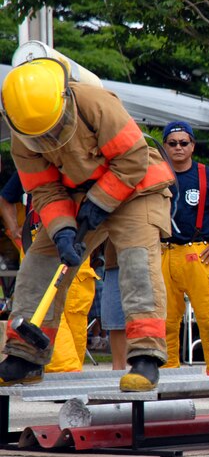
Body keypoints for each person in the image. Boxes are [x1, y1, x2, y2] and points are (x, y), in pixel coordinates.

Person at [0, 57, 174, 391]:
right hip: (77, 198)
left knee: (137, 263)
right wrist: (64, 230)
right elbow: (44, 188)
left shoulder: (95, 103)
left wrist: (100, 202)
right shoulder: (23, 131)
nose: (46, 136)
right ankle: (24, 354)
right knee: (40, 264)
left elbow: (133, 158)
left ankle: (145, 357)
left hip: (137, 188)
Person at [0, 172, 100, 373]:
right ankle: (66, 372)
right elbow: (5, 198)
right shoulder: (35, 167)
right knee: (47, 312)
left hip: (78, 249)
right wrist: (15, 230)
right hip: (44, 245)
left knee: (76, 321)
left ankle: (72, 380)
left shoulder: (89, 167)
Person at [160, 121, 209, 376]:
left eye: (184, 143)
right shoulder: (155, 174)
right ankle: (167, 376)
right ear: (165, 147)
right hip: (162, 253)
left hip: (198, 253)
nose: (178, 148)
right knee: (164, 321)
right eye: (172, 143)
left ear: (192, 145)